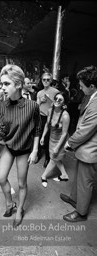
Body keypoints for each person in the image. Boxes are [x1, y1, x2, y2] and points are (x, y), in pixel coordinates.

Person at [0, 64, 41, 227]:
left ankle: (20, 210)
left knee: (21, 184)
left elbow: (37, 128)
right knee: (1, 178)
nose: (2, 88)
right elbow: (1, 131)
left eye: (6, 84)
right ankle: (10, 203)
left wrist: (35, 150)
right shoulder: (3, 106)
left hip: (24, 150)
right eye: (1, 84)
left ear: (18, 84)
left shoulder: (32, 106)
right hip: (9, 147)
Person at [60, 65, 97, 222]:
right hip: (84, 149)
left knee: (85, 182)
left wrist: (69, 143)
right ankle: (75, 199)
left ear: (92, 86)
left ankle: (81, 213)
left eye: (82, 86)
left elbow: (85, 130)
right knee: (79, 178)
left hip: (90, 150)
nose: (80, 88)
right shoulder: (92, 96)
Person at [40, 91, 70, 188]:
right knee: (56, 158)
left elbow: (64, 133)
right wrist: (43, 136)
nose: (57, 101)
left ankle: (44, 176)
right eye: (56, 99)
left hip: (61, 140)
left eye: (60, 100)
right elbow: (47, 125)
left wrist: (57, 147)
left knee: (53, 158)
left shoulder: (65, 116)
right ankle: (64, 175)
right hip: (52, 138)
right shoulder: (50, 110)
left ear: (64, 103)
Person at [37, 72, 59, 166]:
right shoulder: (39, 93)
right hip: (41, 117)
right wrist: (40, 101)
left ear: (50, 81)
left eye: (47, 80)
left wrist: (53, 102)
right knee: (38, 136)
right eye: (44, 79)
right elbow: (36, 107)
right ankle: (37, 155)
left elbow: (60, 105)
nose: (45, 81)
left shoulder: (55, 91)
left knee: (48, 138)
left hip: (51, 117)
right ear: (41, 81)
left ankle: (47, 158)